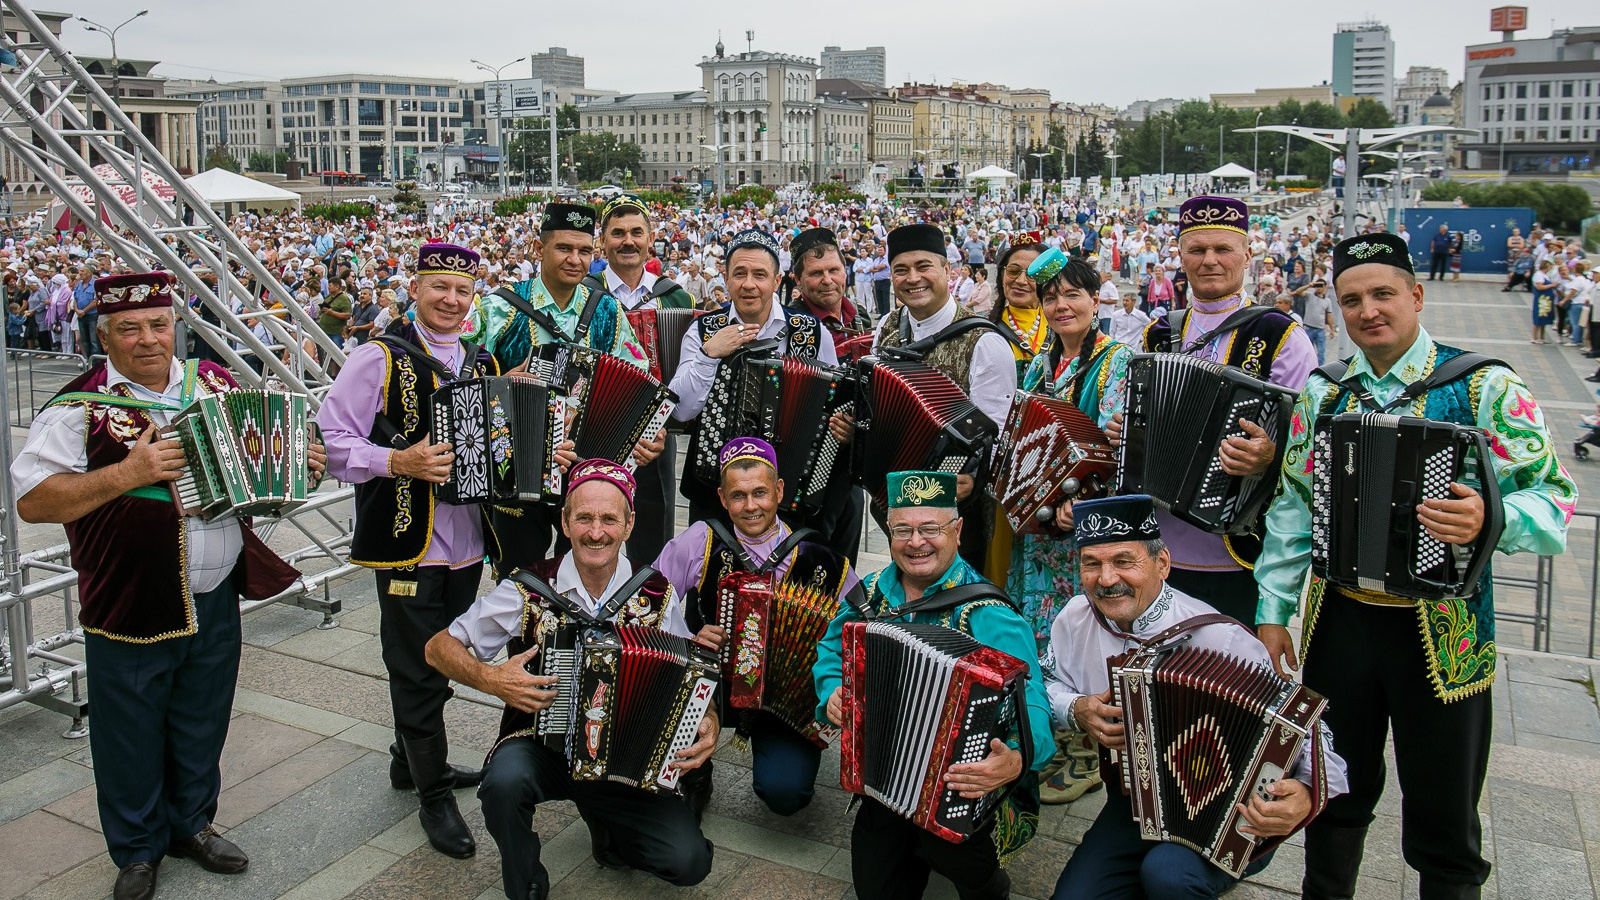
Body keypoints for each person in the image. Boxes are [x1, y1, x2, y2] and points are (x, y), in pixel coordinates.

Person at [1253, 233, 1576, 900]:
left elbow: (1556, 496)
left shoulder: (1485, 386)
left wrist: (1495, 518)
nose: (1368, 311)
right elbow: (1291, 507)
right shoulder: (1324, 393)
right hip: (1341, 625)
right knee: (1333, 796)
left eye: (1383, 295)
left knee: (1445, 815)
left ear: (1417, 296)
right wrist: (1273, 611)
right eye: (1352, 300)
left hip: (1445, 632)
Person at [11, 271, 324, 900]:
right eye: (129, 328)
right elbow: (36, 502)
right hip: (128, 599)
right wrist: (129, 472)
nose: (149, 339)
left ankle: (190, 825)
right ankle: (136, 850)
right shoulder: (82, 406)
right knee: (128, 731)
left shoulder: (213, 384)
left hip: (215, 596)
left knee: (201, 721)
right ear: (103, 334)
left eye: (158, 324)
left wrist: (299, 466)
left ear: (174, 325)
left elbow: (254, 479)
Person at [424, 458, 716, 900]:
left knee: (690, 861)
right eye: (583, 517)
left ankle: (609, 829)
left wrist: (709, 719)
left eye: (608, 519)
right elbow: (437, 648)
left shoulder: (657, 595)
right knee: (502, 785)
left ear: (629, 523)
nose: (595, 532)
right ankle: (525, 882)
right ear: (564, 521)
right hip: (544, 748)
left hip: (625, 758)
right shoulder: (528, 589)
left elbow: (689, 677)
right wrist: (491, 678)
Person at [1045, 494, 1347, 900]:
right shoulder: (1075, 618)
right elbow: (1044, 683)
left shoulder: (1220, 638)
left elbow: (1312, 731)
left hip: (1232, 813)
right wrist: (1076, 708)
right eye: (1091, 564)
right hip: (1135, 804)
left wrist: (1307, 794)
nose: (1106, 578)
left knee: (1168, 877)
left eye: (1123, 561)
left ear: (1163, 564)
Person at [317, 243, 515, 860]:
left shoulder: (483, 362)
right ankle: (434, 795)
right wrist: (395, 460)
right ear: (416, 288)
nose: (451, 301)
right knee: (414, 662)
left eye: (461, 290)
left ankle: (410, 759)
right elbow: (329, 438)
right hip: (407, 540)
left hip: (467, 543)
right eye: (439, 288)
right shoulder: (378, 356)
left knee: (447, 653)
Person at [813, 469, 1055, 900]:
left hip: (964, 782)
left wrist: (1017, 759)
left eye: (930, 528)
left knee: (955, 855)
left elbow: (1032, 700)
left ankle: (987, 882)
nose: (916, 542)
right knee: (874, 888)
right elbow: (832, 650)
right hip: (887, 777)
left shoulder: (988, 614)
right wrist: (832, 688)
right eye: (902, 529)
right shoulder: (870, 596)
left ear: (958, 531)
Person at [1113, 195, 1316, 627]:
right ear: (1180, 257)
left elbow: (1312, 450)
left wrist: (1270, 456)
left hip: (1239, 555)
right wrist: (1125, 434)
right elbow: (1137, 422)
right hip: (1157, 551)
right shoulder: (1159, 333)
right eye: (1197, 249)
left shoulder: (1282, 336)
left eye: (1222, 249)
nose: (1209, 260)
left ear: (1247, 255)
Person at [654, 437, 858, 819]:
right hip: (715, 683)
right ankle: (695, 776)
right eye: (738, 495)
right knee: (664, 685)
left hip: (782, 701)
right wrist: (687, 640)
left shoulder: (823, 559)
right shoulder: (701, 540)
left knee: (786, 794)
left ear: (779, 491)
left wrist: (831, 684)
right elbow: (648, 601)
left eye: (760, 492)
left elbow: (862, 629)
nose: (750, 506)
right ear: (721, 496)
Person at [1005, 249, 1134, 806]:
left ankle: (1087, 752)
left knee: (1088, 636)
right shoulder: (1038, 363)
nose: (1061, 305)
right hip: (1039, 530)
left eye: (1072, 294)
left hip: (1091, 530)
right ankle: (1050, 736)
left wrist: (1074, 501)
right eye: (1051, 296)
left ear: (1095, 297)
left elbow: (1113, 448)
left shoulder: (1117, 360)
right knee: (1043, 632)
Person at [476, 204, 658, 574]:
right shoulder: (499, 307)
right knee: (518, 577)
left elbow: (639, 378)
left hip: (585, 471)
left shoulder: (604, 309)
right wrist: (501, 385)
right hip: (515, 470)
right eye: (563, 248)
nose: (576, 259)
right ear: (538, 248)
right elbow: (458, 383)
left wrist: (650, 430)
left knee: (586, 571)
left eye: (585, 250)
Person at [871, 223, 1018, 570]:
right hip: (892, 510)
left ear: (947, 271)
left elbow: (995, 441)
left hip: (958, 524)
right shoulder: (887, 327)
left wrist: (973, 477)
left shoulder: (985, 342)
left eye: (924, 267)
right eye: (901, 270)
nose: (913, 278)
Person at [669, 228, 836, 525]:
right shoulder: (704, 329)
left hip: (790, 482)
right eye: (740, 274)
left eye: (759, 275)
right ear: (726, 279)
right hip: (716, 486)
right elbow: (681, 408)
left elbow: (832, 401)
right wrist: (709, 355)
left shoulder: (811, 331)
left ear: (776, 281)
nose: (748, 284)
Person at [589, 196, 695, 566]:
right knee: (592, 519)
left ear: (650, 238)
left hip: (656, 435)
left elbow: (688, 368)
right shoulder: (585, 292)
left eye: (636, 232)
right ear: (602, 241)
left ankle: (647, 601)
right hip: (595, 428)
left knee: (654, 523)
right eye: (617, 233)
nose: (627, 241)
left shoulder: (674, 297)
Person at [786, 227, 870, 561]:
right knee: (811, 557)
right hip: (808, 468)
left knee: (844, 561)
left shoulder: (859, 316)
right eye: (816, 273)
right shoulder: (793, 324)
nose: (827, 280)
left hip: (850, 465)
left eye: (834, 270)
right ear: (798, 279)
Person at [1300, 279, 1336, 364]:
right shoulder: (1309, 296)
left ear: (1325, 287)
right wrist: (1309, 286)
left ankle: (1320, 370)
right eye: (1317, 286)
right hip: (1308, 327)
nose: (1319, 288)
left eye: (1321, 286)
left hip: (1320, 329)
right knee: (1307, 352)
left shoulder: (1327, 301)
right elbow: (1298, 292)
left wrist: (1332, 329)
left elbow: (1329, 316)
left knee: (1321, 353)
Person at [1531, 258, 1557, 344]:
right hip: (1541, 299)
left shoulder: (1545, 275)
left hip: (1546, 300)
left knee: (1544, 319)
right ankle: (1534, 337)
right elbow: (1539, 287)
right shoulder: (1538, 275)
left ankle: (1541, 337)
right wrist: (1551, 285)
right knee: (1538, 318)